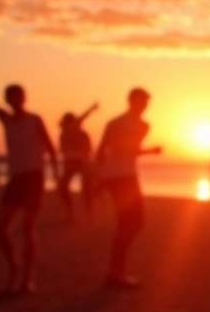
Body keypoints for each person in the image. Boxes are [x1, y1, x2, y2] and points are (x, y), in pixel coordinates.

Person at [0, 74, 58, 295]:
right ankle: (14, 266)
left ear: (24, 98)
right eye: (11, 97)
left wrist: (57, 176)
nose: (15, 100)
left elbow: (51, 147)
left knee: (28, 228)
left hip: (34, 177)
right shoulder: (7, 119)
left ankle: (27, 278)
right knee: (0, 230)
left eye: (18, 96)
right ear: (8, 100)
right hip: (16, 178)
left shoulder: (35, 120)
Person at [96, 88, 162, 288]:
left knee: (131, 223)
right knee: (130, 222)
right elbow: (106, 148)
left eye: (146, 103)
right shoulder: (116, 123)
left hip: (127, 175)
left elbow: (129, 151)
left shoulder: (143, 125)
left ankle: (116, 272)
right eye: (142, 102)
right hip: (119, 177)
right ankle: (116, 273)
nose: (144, 106)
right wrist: (98, 178)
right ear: (131, 101)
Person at [58, 103, 99, 222]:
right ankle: (74, 213)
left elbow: (83, 117)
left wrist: (92, 108)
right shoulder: (65, 132)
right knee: (69, 187)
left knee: (85, 187)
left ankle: (87, 214)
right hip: (72, 161)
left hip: (79, 161)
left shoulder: (72, 127)